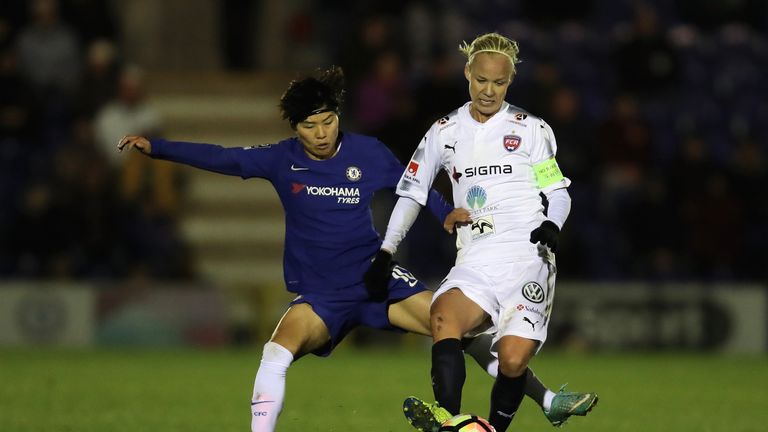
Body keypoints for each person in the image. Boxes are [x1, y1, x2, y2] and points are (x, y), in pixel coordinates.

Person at [364, 33, 598, 432]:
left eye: (499, 83)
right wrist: (387, 251)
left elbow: (558, 193)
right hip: (476, 255)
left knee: (510, 360)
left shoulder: (531, 129)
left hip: (528, 257)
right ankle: (449, 419)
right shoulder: (444, 131)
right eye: (482, 80)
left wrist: (551, 225)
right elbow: (410, 193)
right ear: (468, 73)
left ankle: (489, 428)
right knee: (443, 316)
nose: (489, 91)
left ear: (510, 82)